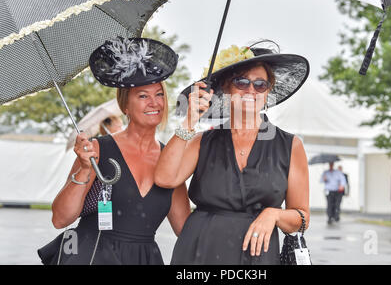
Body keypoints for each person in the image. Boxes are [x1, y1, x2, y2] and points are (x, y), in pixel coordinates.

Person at [154, 41, 310, 264]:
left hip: (258, 258)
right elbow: (164, 178)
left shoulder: (291, 146)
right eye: (242, 82)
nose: (251, 90)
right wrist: (190, 121)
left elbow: (302, 217)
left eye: (260, 85)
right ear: (226, 88)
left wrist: (273, 214)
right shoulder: (201, 141)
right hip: (200, 253)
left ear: (268, 92)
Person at [38, 37, 190, 265]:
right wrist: (85, 170)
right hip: (90, 255)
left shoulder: (172, 160)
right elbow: (60, 219)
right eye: (143, 96)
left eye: (159, 94)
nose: (154, 103)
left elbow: (184, 230)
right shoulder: (98, 149)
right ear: (125, 106)